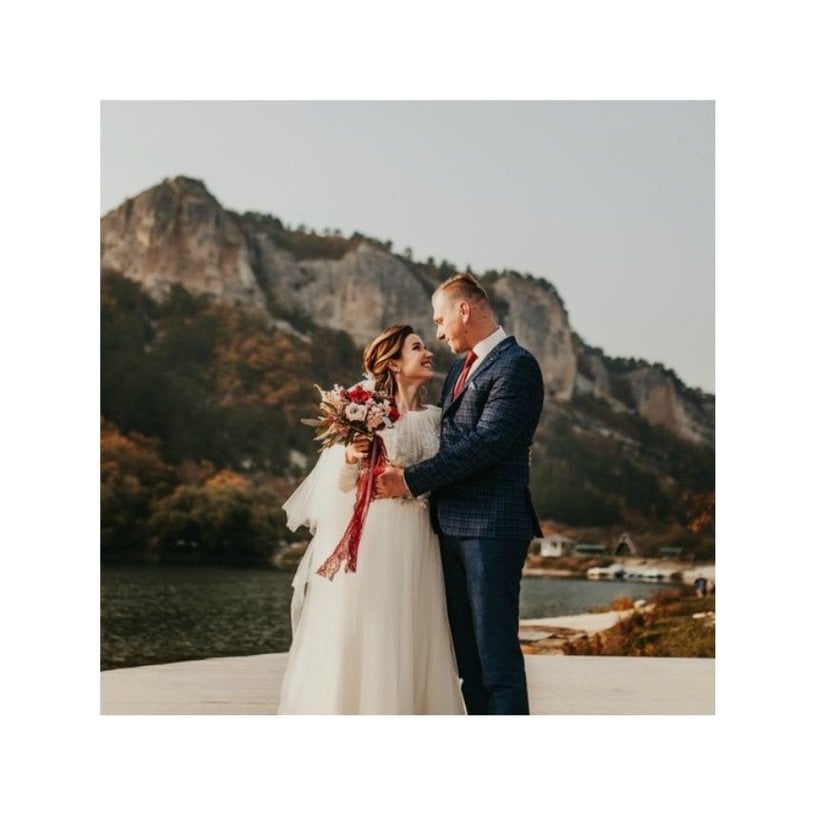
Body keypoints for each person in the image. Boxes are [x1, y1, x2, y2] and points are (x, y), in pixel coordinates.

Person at [376, 273, 544, 715]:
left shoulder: (516, 366)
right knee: (468, 662)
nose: (437, 332)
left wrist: (410, 481)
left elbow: (487, 443)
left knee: (495, 658)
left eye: (440, 319)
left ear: (464, 311)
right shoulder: (458, 371)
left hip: (491, 528)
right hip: (448, 528)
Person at [277, 325, 466, 714]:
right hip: (378, 536)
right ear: (393, 363)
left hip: (421, 536)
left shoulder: (436, 419)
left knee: (415, 627)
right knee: (375, 627)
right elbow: (342, 486)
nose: (428, 352)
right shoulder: (366, 415)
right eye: (417, 347)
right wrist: (350, 457)